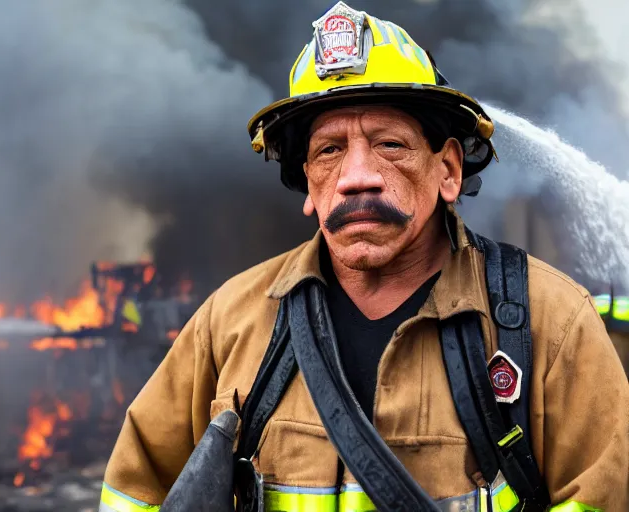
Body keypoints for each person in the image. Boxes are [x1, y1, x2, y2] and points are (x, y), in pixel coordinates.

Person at [99, 3, 629, 511]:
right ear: (308, 181)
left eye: (390, 145)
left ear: (448, 170)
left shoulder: (550, 323)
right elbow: (133, 492)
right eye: (329, 150)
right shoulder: (231, 322)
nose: (357, 177)